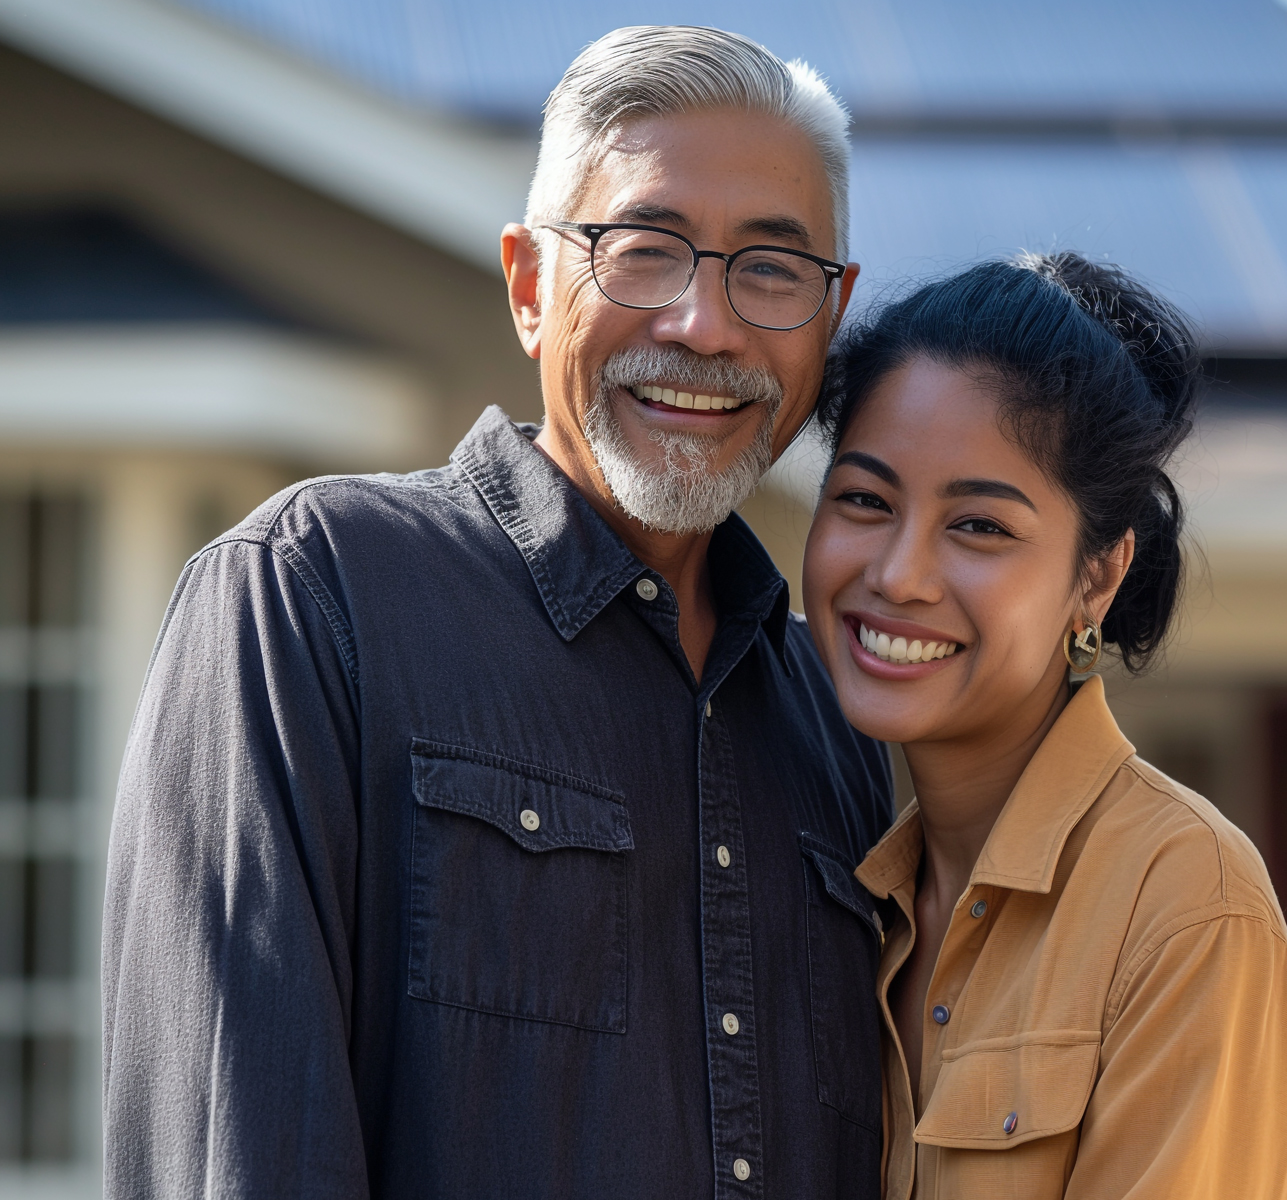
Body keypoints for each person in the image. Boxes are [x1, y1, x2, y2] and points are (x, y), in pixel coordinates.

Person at [103, 26, 894, 1199]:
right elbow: (234, 1146)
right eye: (643, 249)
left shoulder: (838, 719)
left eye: (771, 270)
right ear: (530, 285)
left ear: (831, 320)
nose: (705, 326)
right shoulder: (314, 594)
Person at [802, 254, 1287, 1199]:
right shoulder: (852, 902)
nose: (898, 574)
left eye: (978, 526)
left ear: (1096, 578)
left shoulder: (1184, 910)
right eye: (865, 500)